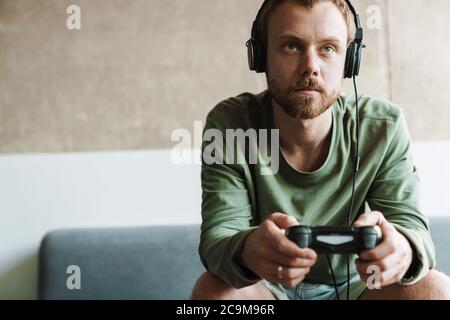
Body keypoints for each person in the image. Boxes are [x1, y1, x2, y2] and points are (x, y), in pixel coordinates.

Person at [191, 0, 450, 300]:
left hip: (359, 289)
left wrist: (402, 249)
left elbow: (413, 230)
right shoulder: (231, 124)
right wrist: (248, 249)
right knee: (213, 293)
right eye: (291, 46)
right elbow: (217, 240)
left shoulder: (383, 126)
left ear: (350, 60)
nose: (310, 66)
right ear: (260, 56)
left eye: (328, 48)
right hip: (265, 289)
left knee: (436, 291)